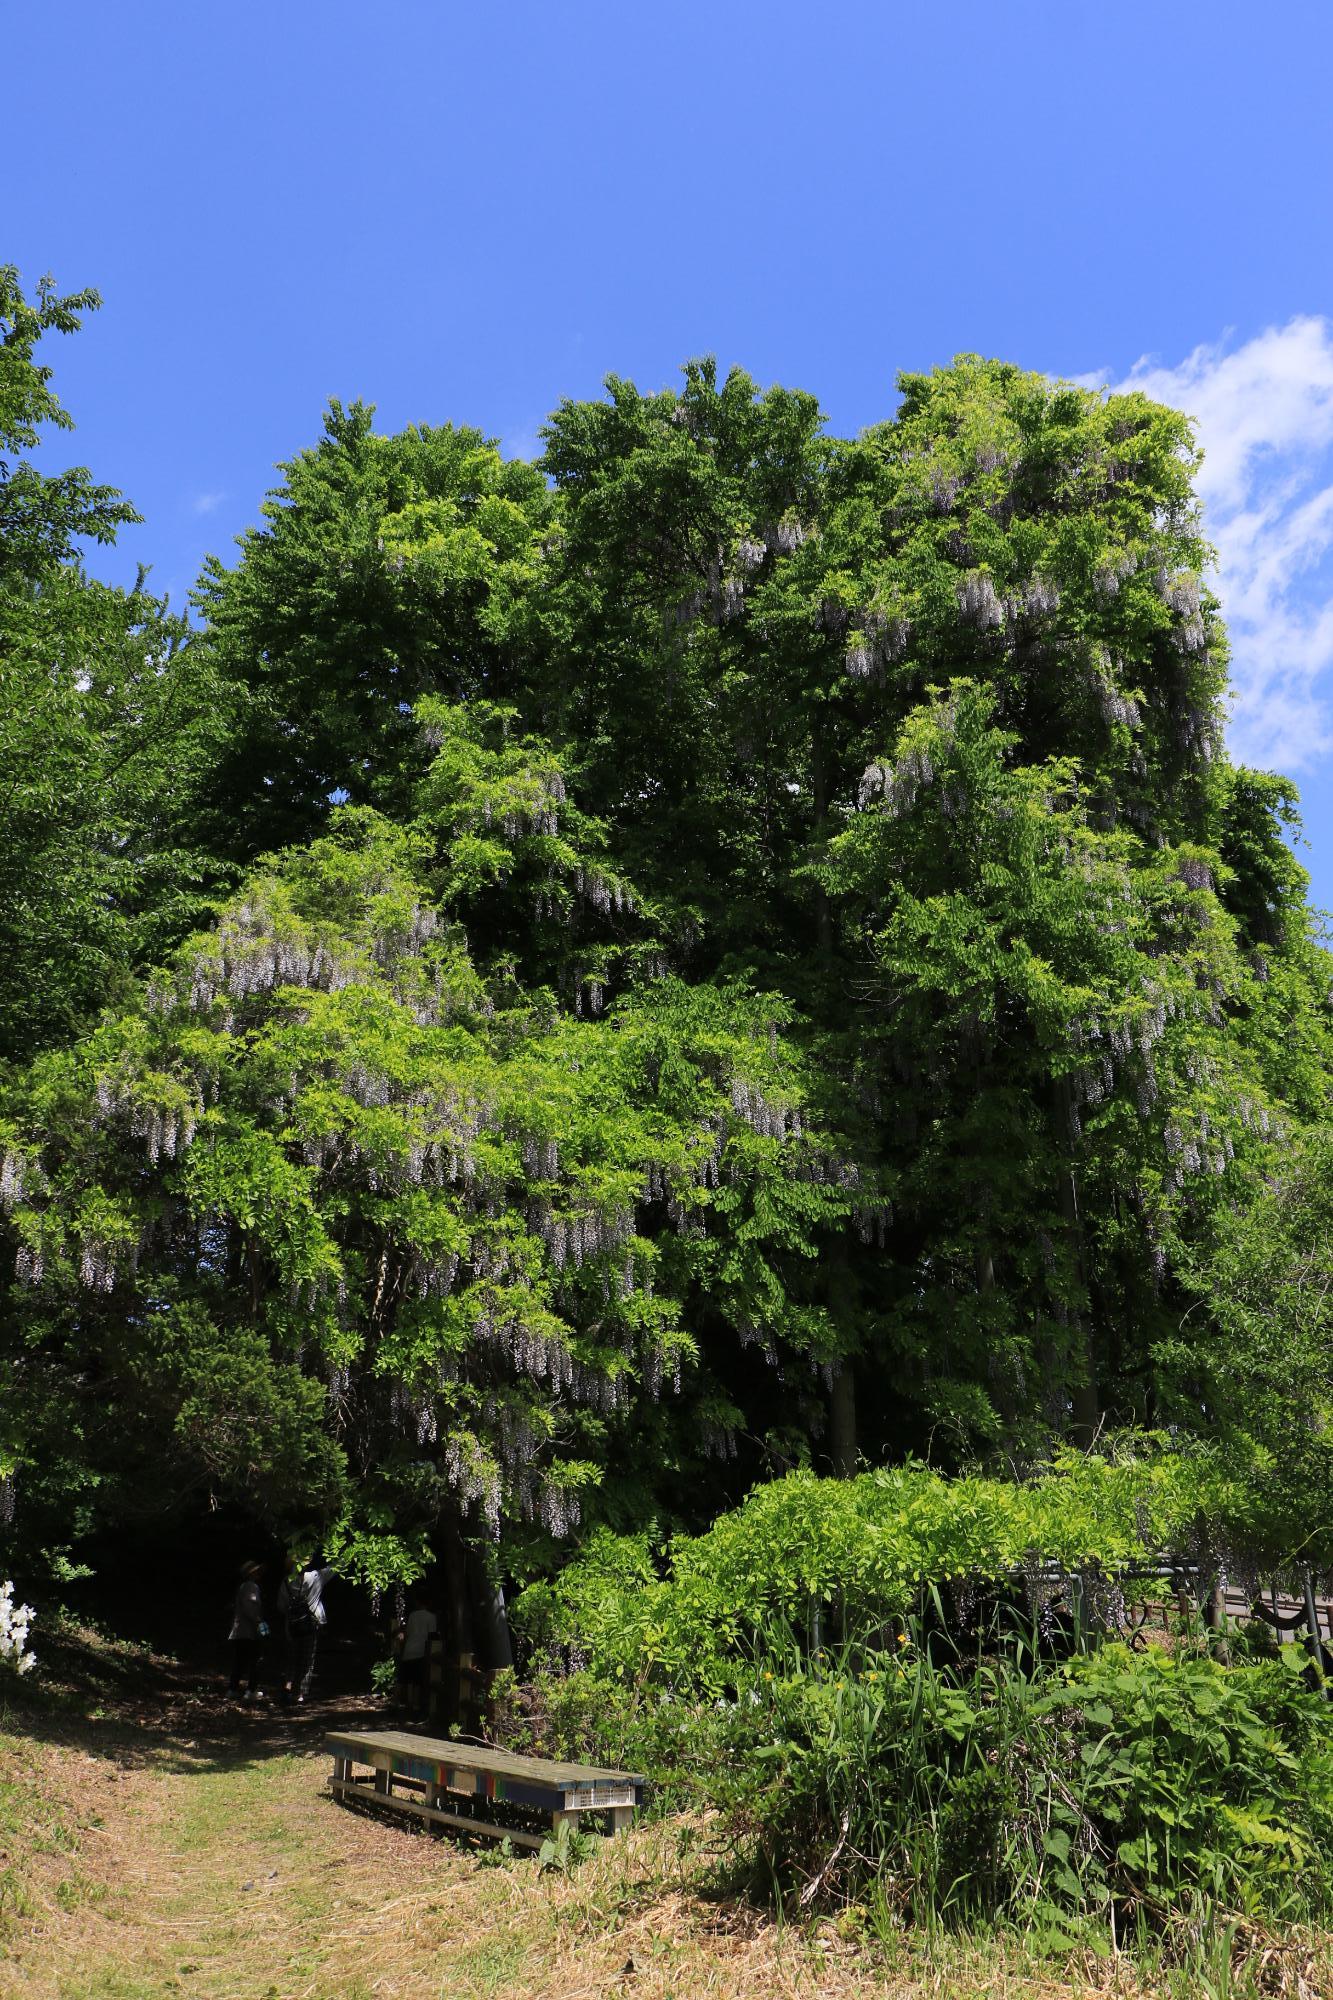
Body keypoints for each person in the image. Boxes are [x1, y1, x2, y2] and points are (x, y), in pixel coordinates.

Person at [277, 1551, 332, 1706]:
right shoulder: (315, 1577)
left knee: (292, 1658)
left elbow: (281, 1606)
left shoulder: (286, 1582)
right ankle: (300, 1693)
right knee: (307, 1659)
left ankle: (287, 1689)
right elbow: (336, 1568)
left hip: (292, 1626)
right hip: (310, 1624)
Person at [394, 1589, 439, 1714]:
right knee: (417, 1681)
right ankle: (415, 1706)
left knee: (402, 1679)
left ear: (417, 1602)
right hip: (421, 1651)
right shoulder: (431, 1617)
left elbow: (408, 1632)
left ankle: (395, 1704)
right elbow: (432, 1635)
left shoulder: (413, 1615)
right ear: (429, 1602)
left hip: (409, 1649)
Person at [228, 1560, 267, 1701]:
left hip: (240, 1631)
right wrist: (259, 1622)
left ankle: (233, 1689)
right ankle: (251, 1690)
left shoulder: (243, 1586)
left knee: (239, 1661)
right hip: (248, 1631)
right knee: (256, 1660)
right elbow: (249, 1608)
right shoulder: (252, 1586)